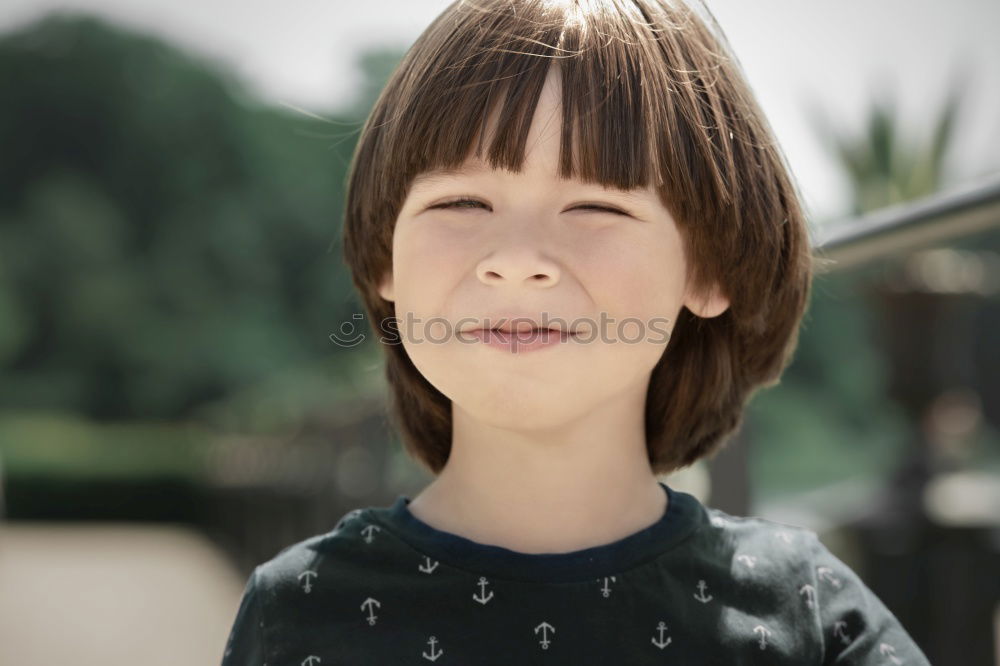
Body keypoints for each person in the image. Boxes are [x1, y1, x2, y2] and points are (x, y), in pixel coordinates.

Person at [220, 0, 932, 663]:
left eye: (595, 206)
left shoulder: (806, 615)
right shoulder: (301, 611)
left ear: (710, 268)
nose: (517, 261)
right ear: (386, 263)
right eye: (462, 201)